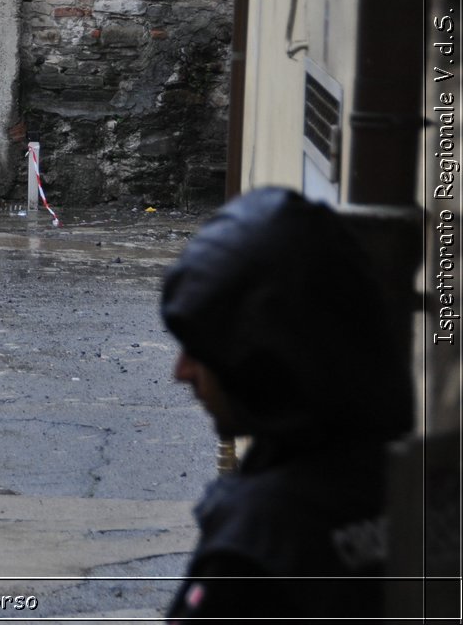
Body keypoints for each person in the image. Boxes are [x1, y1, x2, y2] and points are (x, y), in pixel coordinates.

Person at [160, 188, 411, 621]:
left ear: (263, 355)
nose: (181, 372)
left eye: (201, 348)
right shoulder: (417, 477)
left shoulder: (256, 549)